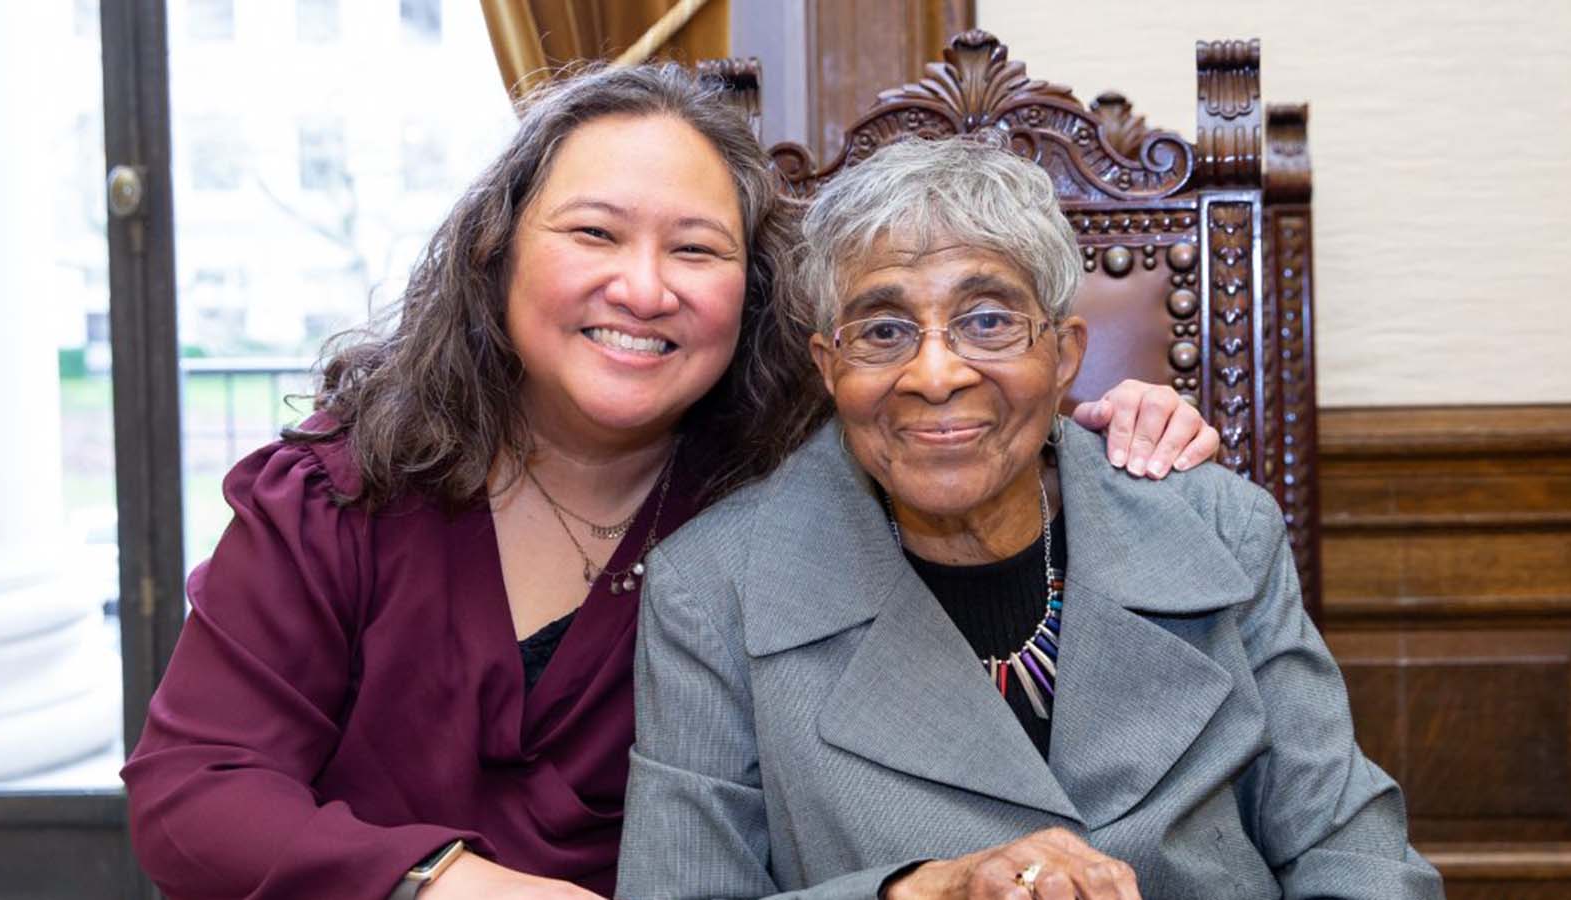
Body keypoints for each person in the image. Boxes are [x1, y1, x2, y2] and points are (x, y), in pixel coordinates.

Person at [120, 65, 1219, 900]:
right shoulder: (339, 495)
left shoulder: (792, 493)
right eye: (594, 232)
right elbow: (192, 797)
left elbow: (961, 422)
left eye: (695, 250)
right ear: (498, 251)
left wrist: (1109, 424)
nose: (642, 288)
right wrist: (450, 882)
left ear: (754, 292)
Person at [616, 137, 1444, 900]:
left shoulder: (1219, 527)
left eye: (987, 321)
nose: (935, 374)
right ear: (831, 368)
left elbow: (1351, 852)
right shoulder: (713, 586)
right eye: (884, 329)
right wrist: (917, 891)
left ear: (1065, 355)